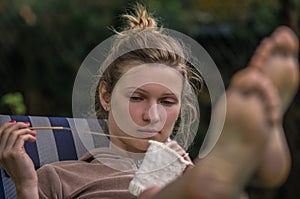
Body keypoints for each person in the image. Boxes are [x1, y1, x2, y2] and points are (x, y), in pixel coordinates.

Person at [0, 4, 299, 199]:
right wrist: (26, 185)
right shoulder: (59, 177)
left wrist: (187, 171)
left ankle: (260, 159)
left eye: (167, 102)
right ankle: (261, 168)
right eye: (137, 98)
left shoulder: (188, 171)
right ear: (106, 95)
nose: (152, 116)